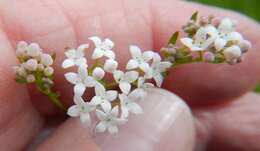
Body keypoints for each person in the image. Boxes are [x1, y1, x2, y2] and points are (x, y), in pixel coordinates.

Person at [0, 0, 260, 151]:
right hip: (103, 98)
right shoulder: (101, 78)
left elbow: (145, 71)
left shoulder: (137, 67)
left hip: (111, 89)